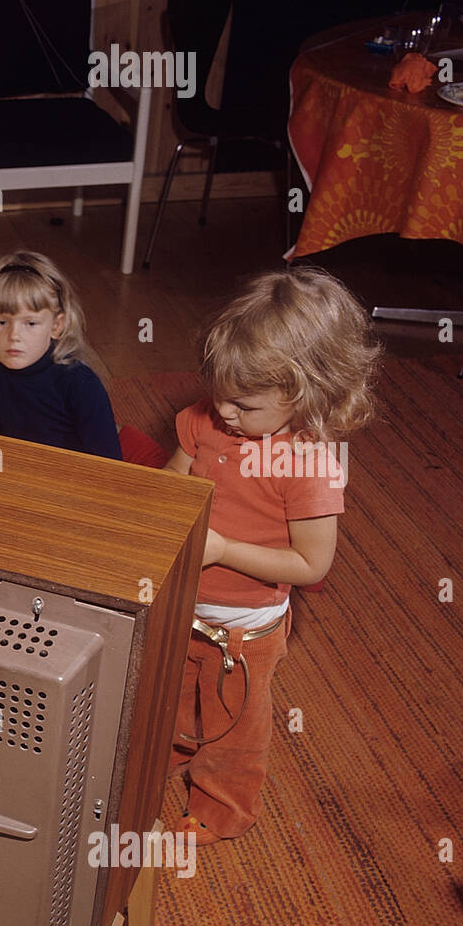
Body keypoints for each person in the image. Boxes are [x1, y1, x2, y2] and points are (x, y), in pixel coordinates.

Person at [163, 266, 380, 845]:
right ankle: (175, 750)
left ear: (306, 393)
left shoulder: (309, 462)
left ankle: (222, 805)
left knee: (235, 721)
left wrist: (225, 549)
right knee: (171, 691)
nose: (225, 413)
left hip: (245, 629)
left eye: (245, 405)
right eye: (219, 394)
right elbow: (171, 488)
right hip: (185, 603)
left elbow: (312, 566)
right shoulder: (207, 421)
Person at [0, 251, 124, 459]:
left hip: (78, 473)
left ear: (56, 326)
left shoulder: (80, 382)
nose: (14, 335)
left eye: (31, 323)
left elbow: (109, 467)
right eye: (1, 322)